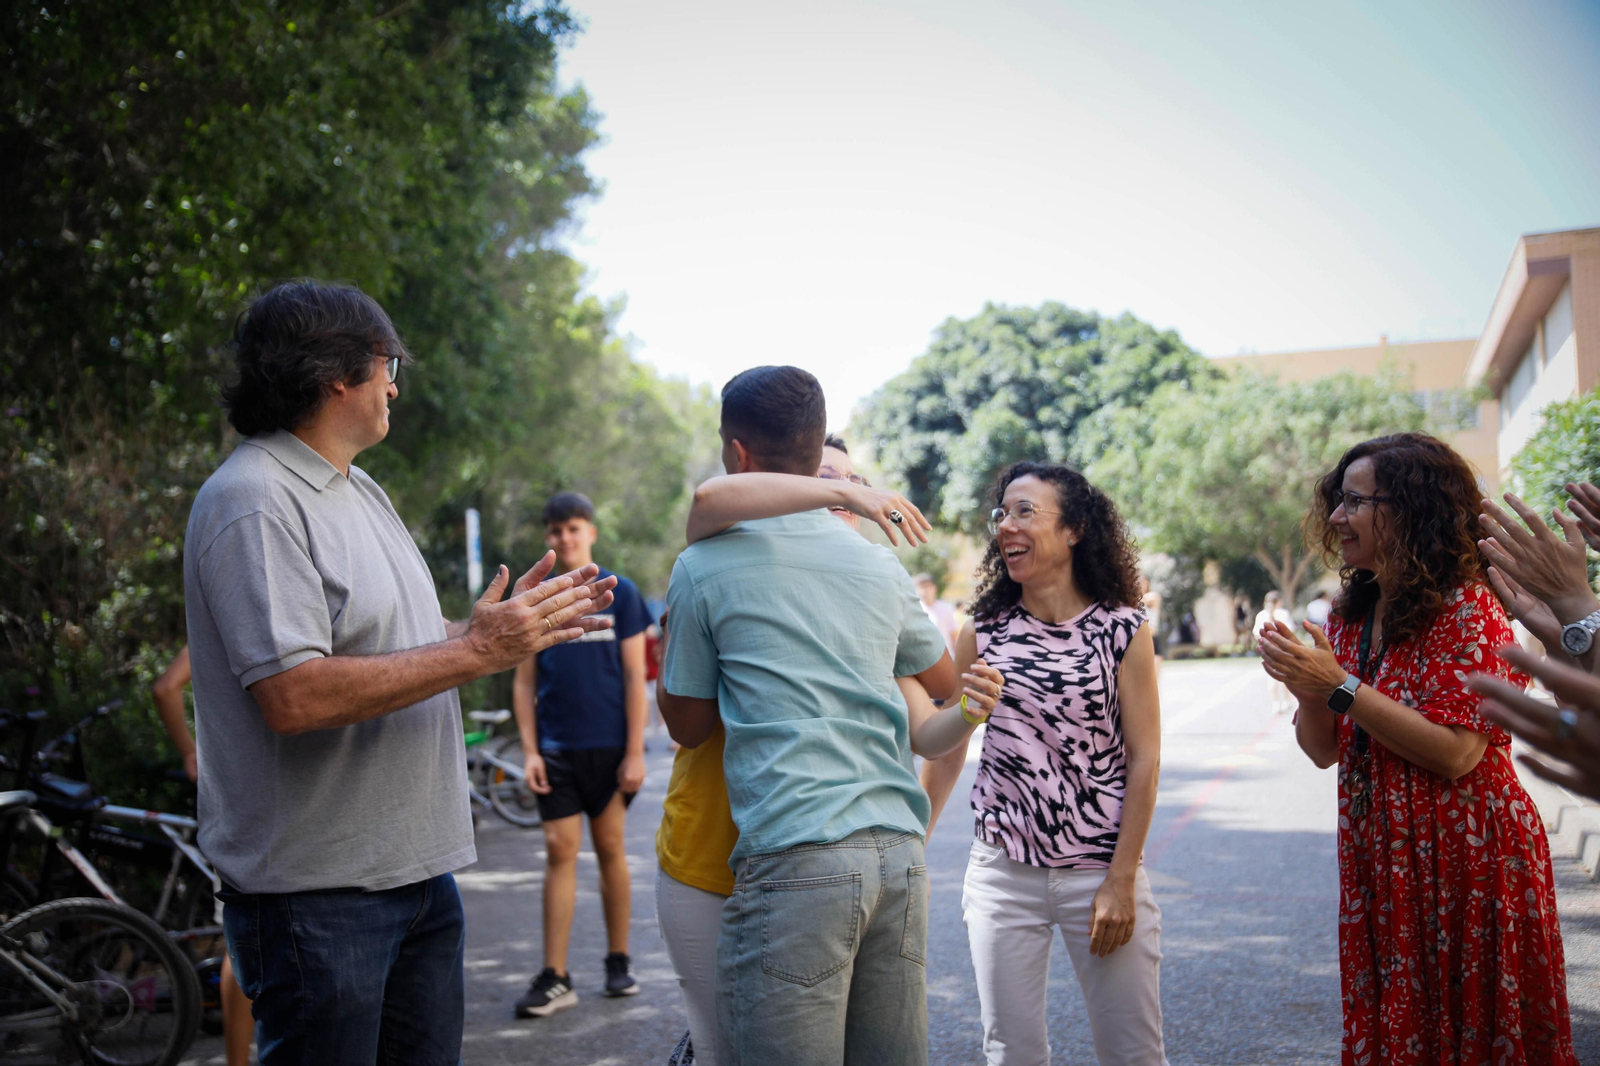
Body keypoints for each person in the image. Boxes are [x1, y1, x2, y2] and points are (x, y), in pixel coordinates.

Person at [183, 280, 616, 1065]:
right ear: (336, 375)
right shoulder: (254, 500)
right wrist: (475, 652)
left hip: (415, 879)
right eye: (388, 366)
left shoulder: (358, 487)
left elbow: (396, 645)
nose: (394, 385)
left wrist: (498, 630)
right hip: (319, 897)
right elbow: (293, 694)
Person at [657, 365, 962, 1066]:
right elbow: (943, 679)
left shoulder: (705, 564)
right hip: (896, 857)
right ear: (818, 445)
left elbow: (690, 727)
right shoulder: (878, 566)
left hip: (798, 855)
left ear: (738, 453)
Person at [1258, 431, 1577, 1066]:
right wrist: (1310, 690)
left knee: (1474, 1035)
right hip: (1382, 857)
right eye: (1336, 501)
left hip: (1469, 855)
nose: (1337, 518)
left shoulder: (1471, 609)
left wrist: (1341, 686)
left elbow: (1458, 754)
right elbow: (1324, 752)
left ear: (1409, 509)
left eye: (1355, 501)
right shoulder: (1352, 615)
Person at [922, 462, 1167, 1066]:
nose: (1006, 525)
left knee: (1133, 1052)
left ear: (1076, 529)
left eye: (1025, 511)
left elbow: (1145, 759)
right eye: (1002, 513)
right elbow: (950, 742)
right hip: (1002, 874)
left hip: (1100, 870)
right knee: (1011, 1053)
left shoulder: (1123, 629)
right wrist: (915, 837)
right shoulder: (982, 629)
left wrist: (1121, 879)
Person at [510, 491, 652, 1017]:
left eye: (573, 528)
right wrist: (529, 750)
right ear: (547, 538)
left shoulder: (621, 593)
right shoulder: (537, 599)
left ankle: (618, 961)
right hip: (558, 750)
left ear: (590, 531)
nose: (564, 537)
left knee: (611, 848)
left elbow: (637, 677)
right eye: (555, 530)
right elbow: (524, 684)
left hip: (611, 750)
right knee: (558, 850)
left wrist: (635, 751)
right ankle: (555, 975)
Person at [152, 645, 252, 1066]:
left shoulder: (214, 624)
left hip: (233, 791)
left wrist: (190, 752)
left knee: (241, 935)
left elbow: (165, 688)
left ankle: (237, 1060)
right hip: (269, 788)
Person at [1253, 591, 1295, 713]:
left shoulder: (1261, 615)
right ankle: (1286, 701)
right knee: (1285, 674)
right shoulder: (1283, 613)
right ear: (1278, 601)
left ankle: (1276, 702)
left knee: (1272, 677)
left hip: (1268, 649)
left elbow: (1256, 633)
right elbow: (1289, 632)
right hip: (1281, 649)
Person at [913, 572, 960, 653]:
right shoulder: (915, 609)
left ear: (934, 588)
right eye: (921, 587)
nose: (924, 590)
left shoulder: (946, 608)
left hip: (945, 655)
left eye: (927, 586)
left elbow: (954, 635)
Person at [1139, 574, 1165, 674]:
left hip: (1151, 635)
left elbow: (1147, 599)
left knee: (1155, 667)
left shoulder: (1153, 596)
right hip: (1140, 637)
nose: (1142, 584)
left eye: (1144, 581)